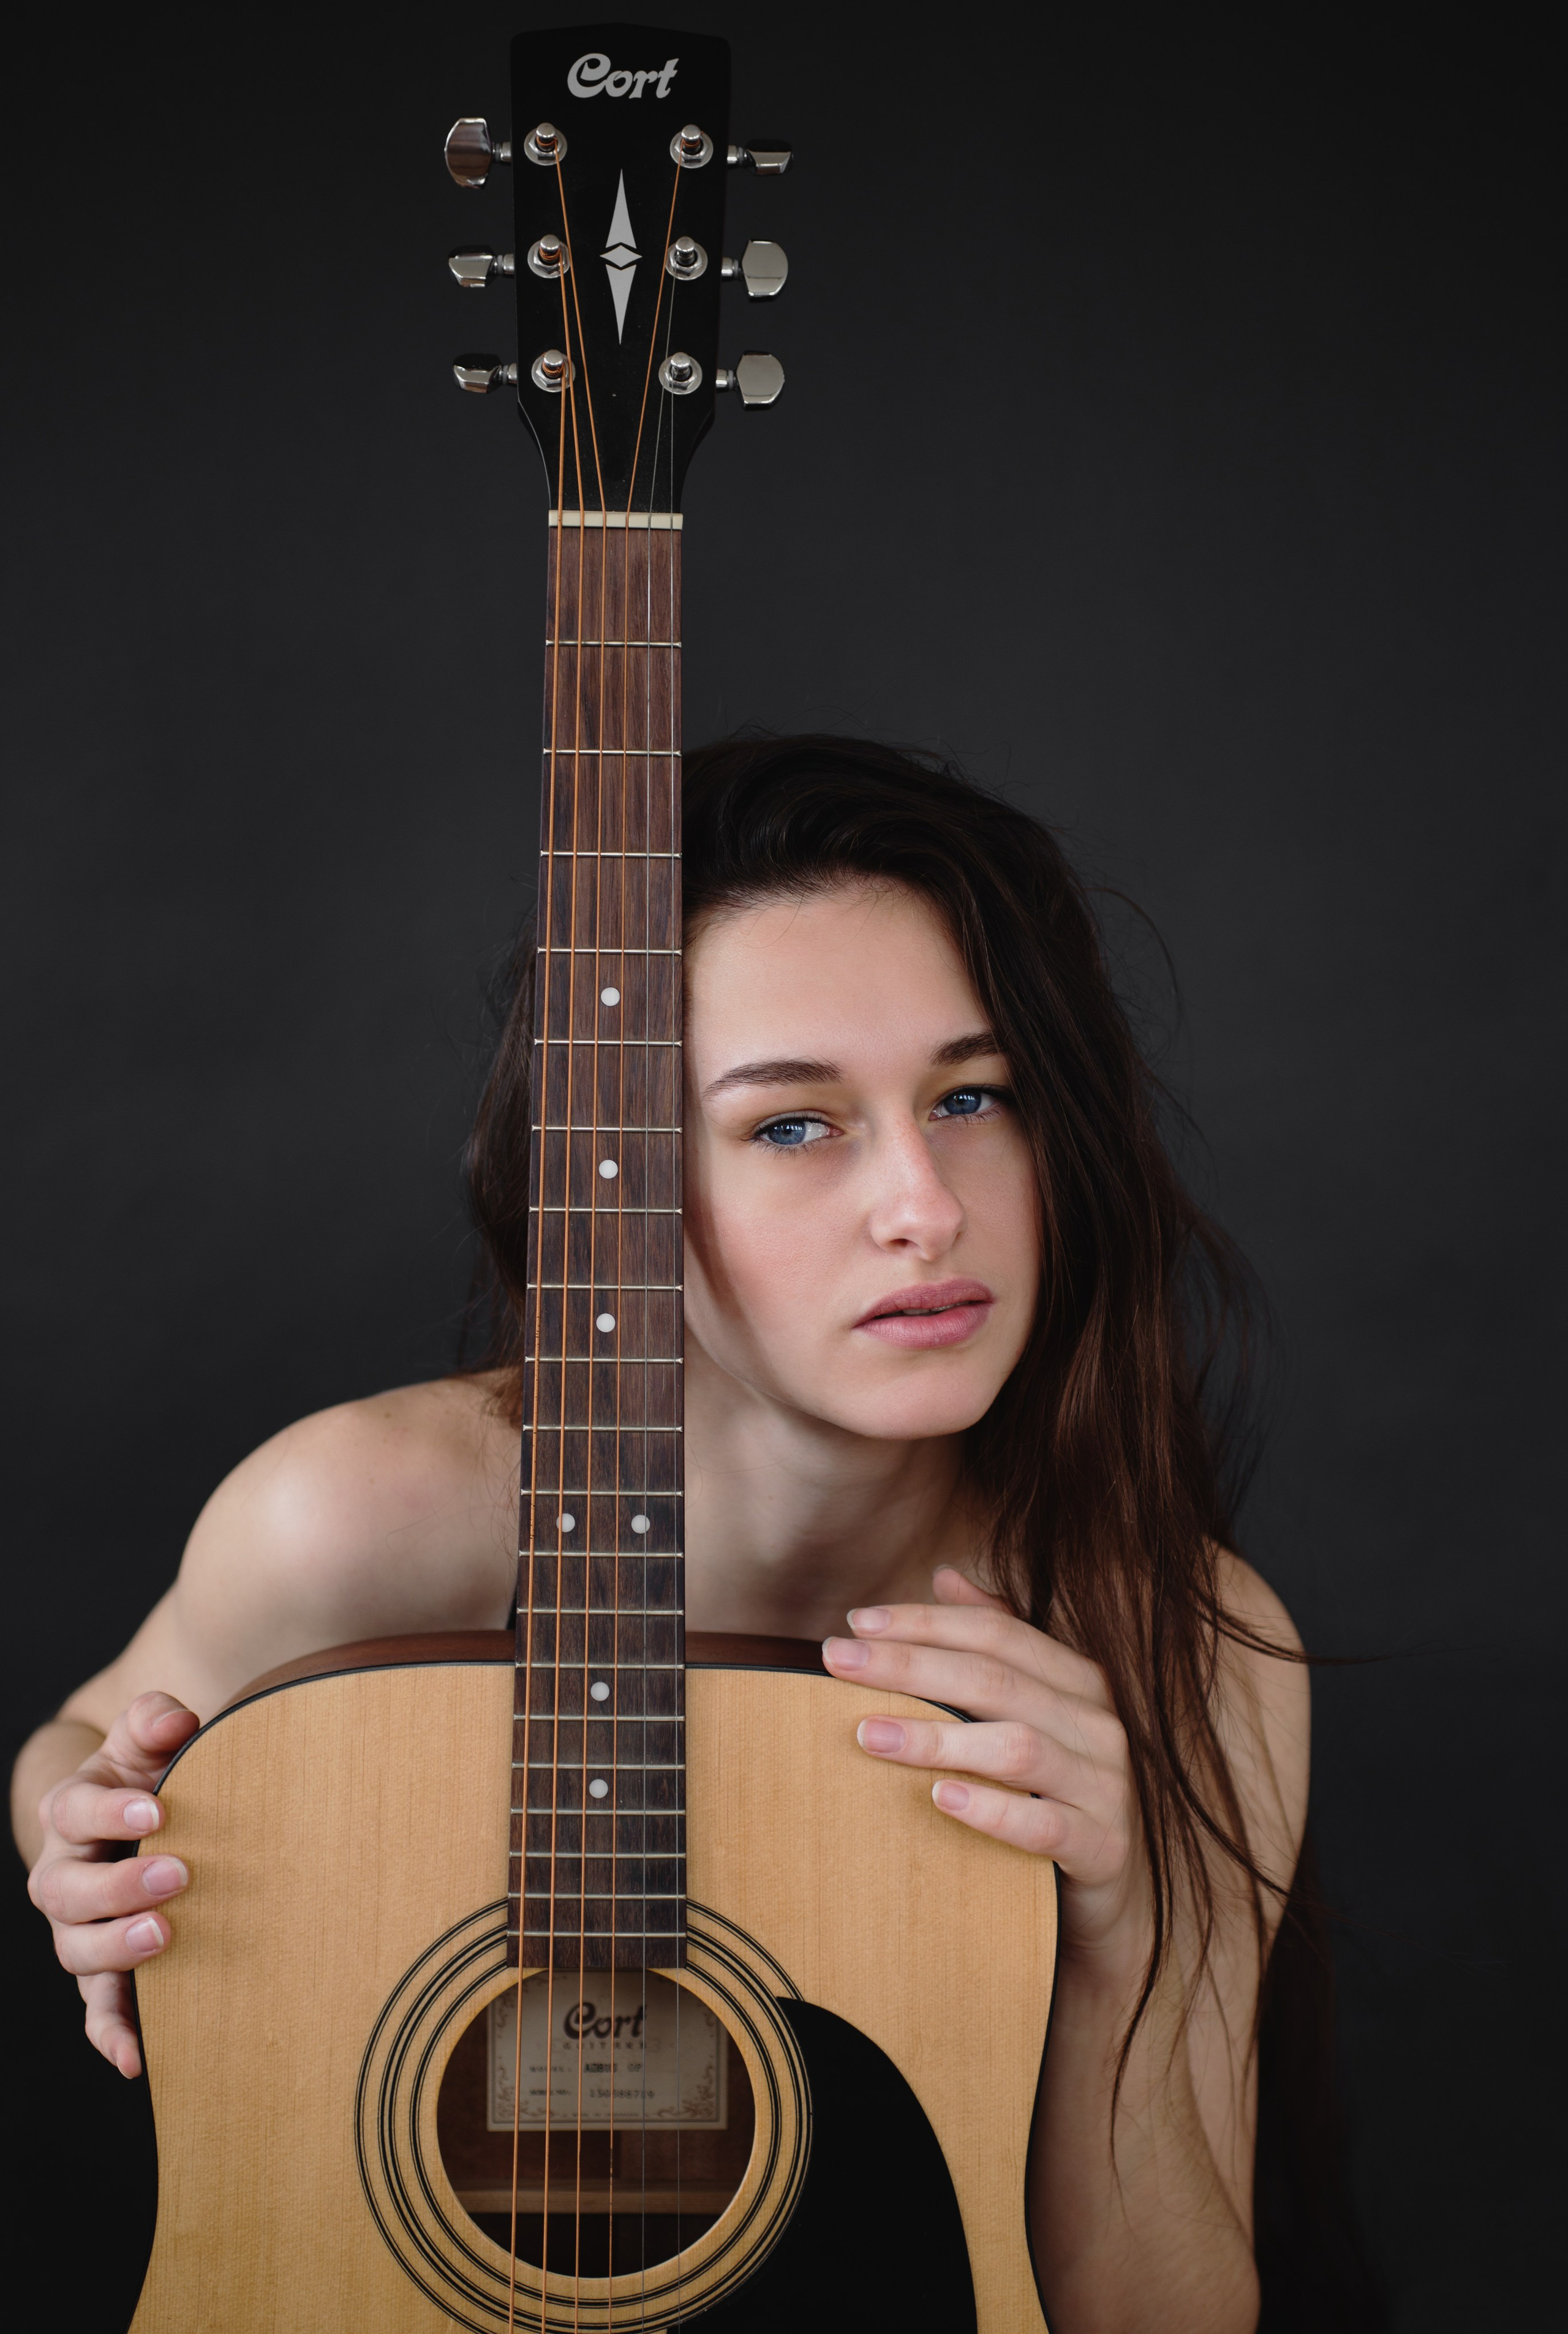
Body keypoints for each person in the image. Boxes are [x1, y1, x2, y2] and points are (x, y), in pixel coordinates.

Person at [15, 734, 1317, 2333]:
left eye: (975, 1096)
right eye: (792, 1125)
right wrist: (78, 1845)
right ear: (616, 1187)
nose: (925, 1201)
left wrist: (1127, 1942)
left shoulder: (1185, 1648)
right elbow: (90, 1732)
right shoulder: (366, 1514)